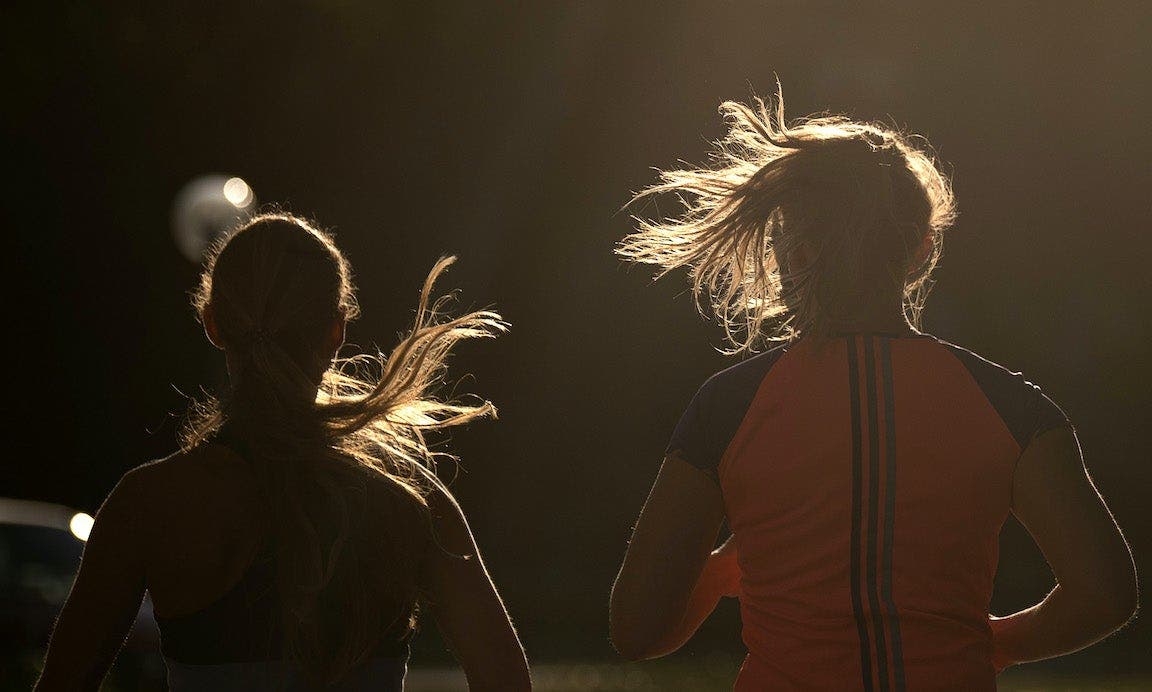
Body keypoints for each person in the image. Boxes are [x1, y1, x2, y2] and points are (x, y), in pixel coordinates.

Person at [609, 89, 1137, 690]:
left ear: (791, 250)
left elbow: (638, 631)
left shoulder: (728, 407)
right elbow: (1106, 595)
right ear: (921, 250)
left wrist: (733, 563)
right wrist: (993, 645)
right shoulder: (1013, 409)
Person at [36, 213, 531, 691]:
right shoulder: (410, 500)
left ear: (212, 324)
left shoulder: (148, 505)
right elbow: (506, 679)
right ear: (336, 332)